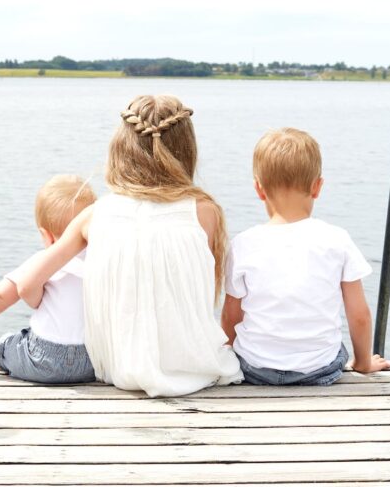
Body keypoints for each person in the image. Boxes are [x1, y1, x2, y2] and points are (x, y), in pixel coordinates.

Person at [14, 95, 243, 397]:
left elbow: (28, 283)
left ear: (120, 149)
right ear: (188, 151)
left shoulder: (95, 214)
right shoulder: (204, 212)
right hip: (195, 368)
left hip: (118, 368)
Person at [221, 128, 390, 386]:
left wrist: (231, 359)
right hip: (318, 369)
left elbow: (231, 317)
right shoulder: (337, 239)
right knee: (338, 351)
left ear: (259, 189)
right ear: (317, 187)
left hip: (256, 369)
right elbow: (359, 315)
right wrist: (363, 362)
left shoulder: (243, 244)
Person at [0, 175, 96, 384]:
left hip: (43, 359)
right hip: (91, 361)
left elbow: (2, 294)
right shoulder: (101, 262)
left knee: (9, 349)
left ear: (46, 235)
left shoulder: (41, 262)